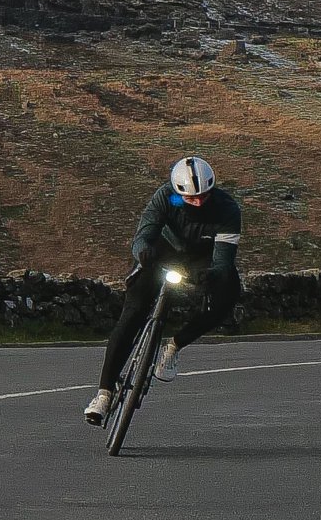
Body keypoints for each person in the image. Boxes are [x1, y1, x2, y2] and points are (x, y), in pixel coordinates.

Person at [83, 155, 243, 419]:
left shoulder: (226, 209)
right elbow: (143, 235)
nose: (198, 202)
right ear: (179, 193)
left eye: (204, 196)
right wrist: (143, 252)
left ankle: (175, 345)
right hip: (163, 252)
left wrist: (212, 275)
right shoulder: (169, 198)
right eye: (191, 198)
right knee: (132, 314)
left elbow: (223, 261)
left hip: (202, 259)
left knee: (228, 292)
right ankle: (104, 394)